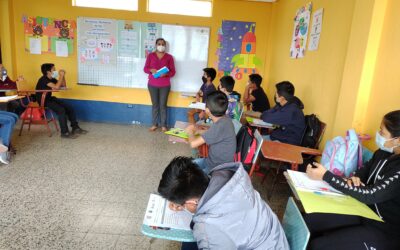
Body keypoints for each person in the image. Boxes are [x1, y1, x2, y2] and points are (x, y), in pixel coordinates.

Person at [305, 110, 400, 250]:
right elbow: (361, 172)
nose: (378, 134)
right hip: (363, 211)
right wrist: (354, 178)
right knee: (307, 221)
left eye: (382, 132)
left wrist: (326, 176)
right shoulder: (382, 153)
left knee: (319, 245)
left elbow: (371, 194)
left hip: (385, 228)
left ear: (397, 139)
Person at [158, 157, 289, 250]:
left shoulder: (208, 228)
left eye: (180, 205)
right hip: (274, 239)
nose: (180, 207)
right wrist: (182, 203)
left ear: (192, 202)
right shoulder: (228, 178)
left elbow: (213, 231)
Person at [185, 91, 236, 174]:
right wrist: (198, 131)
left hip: (217, 169)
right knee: (186, 166)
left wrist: (190, 131)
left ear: (207, 110)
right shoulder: (225, 120)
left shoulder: (219, 126)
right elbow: (212, 133)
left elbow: (193, 144)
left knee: (188, 175)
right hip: (211, 162)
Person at [36, 63, 87, 139]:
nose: (55, 70)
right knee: (61, 110)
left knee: (69, 108)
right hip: (43, 101)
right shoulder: (43, 79)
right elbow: (56, 87)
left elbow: (63, 85)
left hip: (49, 98)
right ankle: (64, 133)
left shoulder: (51, 79)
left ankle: (75, 128)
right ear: (48, 71)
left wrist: (63, 76)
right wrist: (61, 76)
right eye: (53, 69)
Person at [143, 38, 176, 132]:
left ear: (165, 46)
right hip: (152, 84)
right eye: (159, 44)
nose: (161, 45)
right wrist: (151, 70)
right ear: (156, 45)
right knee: (155, 105)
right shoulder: (151, 56)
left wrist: (166, 74)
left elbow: (173, 72)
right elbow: (145, 69)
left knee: (163, 105)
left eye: (163, 44)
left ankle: (164, 125)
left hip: (165, 85)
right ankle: (154, 124)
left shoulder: (169, 57)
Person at [260, 81, 305, 145]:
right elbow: (265, 114)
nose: (275, 94)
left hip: (285, 144)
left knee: (254, 146)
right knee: (253, 141)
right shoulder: (283, 104)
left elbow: (266, 117)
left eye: (276, 92)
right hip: (278, 138)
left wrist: (268, 114)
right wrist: (277, 107)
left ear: (282, 97)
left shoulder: (291, 110)